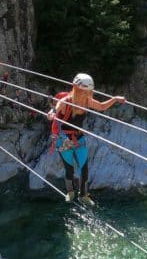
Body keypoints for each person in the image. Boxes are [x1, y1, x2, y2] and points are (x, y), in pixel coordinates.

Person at [47, 73, 125, 205]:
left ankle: (83, 195)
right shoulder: (67, 101)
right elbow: (59, 104)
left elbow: (101, 106)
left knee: (84, 168)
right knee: (69, 169)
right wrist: (53, 111)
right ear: (76, 89)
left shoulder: (87, 101)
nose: (86, 94)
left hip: (79, 137)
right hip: (64, 138)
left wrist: (114, 99)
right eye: (84, 91)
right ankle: (70, 191)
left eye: (88, 92)